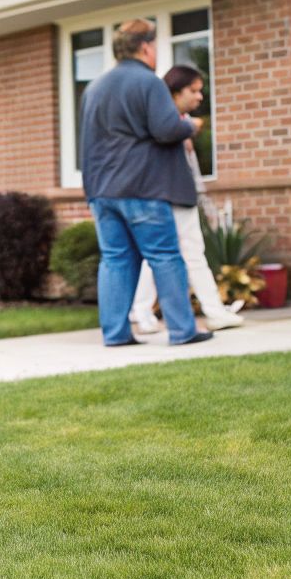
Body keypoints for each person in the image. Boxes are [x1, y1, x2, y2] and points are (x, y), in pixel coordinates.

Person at [80, 19, 215, 347]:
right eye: (154, 45)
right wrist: (190, 126)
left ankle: (115, 334)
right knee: (165, 255)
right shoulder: (149, 83)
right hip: (141, 188)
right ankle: (183, 331)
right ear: (145, 47)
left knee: (114, 260)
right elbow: (166, 129)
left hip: (101, 191)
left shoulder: (94, 87)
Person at [130, 65, 243, 333]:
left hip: (178, 194)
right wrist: (186, 129)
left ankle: (145, 311)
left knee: (175, 254)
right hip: (167, 195)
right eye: (193, 91)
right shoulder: (167, 121)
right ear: (175, 91)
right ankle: (207, 312)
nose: (199, 97)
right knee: (175, 254)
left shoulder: (178, 122)